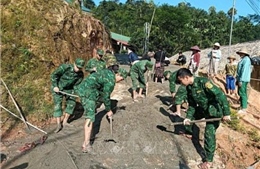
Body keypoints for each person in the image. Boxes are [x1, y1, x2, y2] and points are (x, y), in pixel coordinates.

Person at [176, 68, 231, 168]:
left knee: (209, 133)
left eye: (181, 81)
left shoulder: (204, 82)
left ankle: (209, 161)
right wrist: (188, 117)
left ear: (186, 77)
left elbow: (220, 95)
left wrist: (226, 113)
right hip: (203, 109)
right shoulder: (189, 88)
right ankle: (190, 133)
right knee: (190, 118)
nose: (181, 83)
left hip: (214, 111)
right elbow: (192, 105)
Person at [75, 65, 128, 153]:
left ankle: (90, 136)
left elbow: (102, 92)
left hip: (86, 88)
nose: (121, 81)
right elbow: (106, 97)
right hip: (88, 93)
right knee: (90, 117)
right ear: (118, 74)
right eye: (122, 78)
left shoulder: (106, 72)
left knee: (93, 109)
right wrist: (109, 110)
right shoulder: (111, 81)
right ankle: (86, 145)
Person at [51, 58, 85, 133]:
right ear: (74, 64)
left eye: (80, 68)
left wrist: (79, 93)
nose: (78, 69)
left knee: (72, 103)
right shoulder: (65, 67)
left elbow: (77, 85)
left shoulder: (80, 74)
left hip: (69, 89)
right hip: (58, 88)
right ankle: (58, 124)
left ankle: (65, 122)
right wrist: (55, 86)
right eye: (77, 67)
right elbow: (54, 75)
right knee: (58, 105)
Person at [236, 48, 252, 115]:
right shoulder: (244, 60)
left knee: (242, 93)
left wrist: (240, 80)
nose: (240, 54)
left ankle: (244, 108)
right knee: (240, 92)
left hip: (243, 79)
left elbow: (244, 71)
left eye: (241, 53)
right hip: (241, 78)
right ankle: (242, 106)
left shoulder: (246, 60)